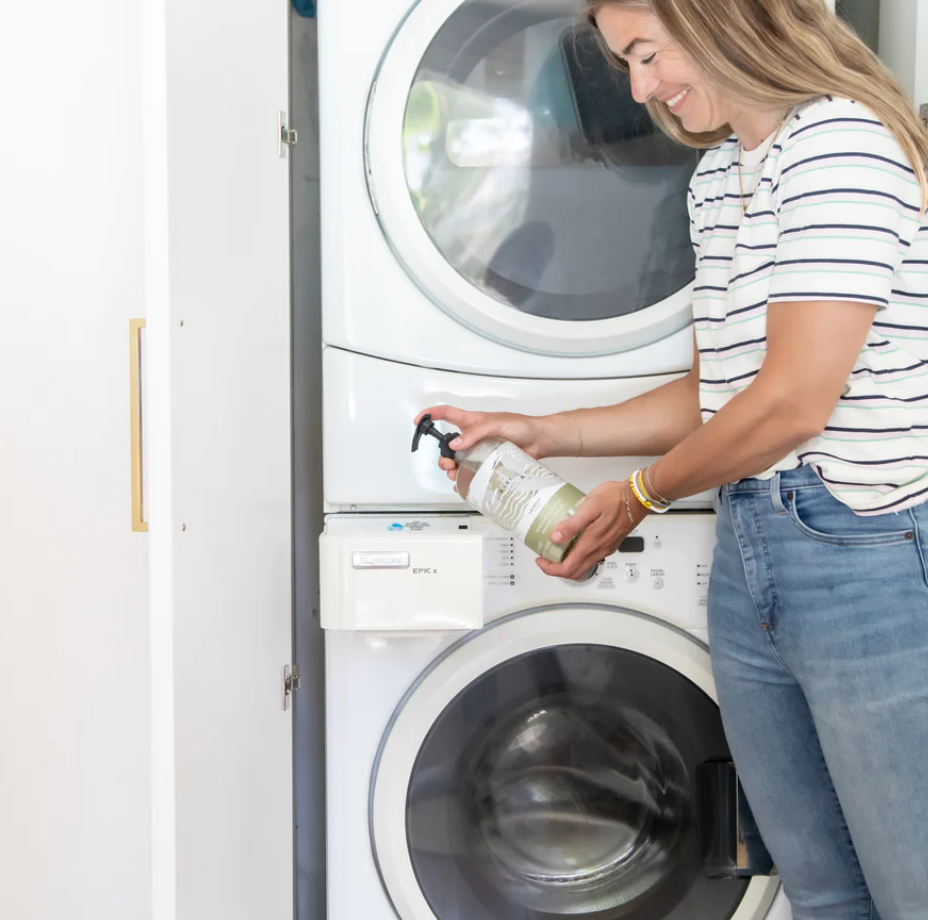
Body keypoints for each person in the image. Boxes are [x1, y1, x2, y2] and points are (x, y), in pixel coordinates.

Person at [417, 1, 928, 917]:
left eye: (647, 53)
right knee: (819, 890)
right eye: (626, 65)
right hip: (753, 554)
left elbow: (795, 398)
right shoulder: (722, 174)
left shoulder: (843, 148)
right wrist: (548, 431)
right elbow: (723, 390)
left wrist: (639, 497)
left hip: (871, 558)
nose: (642, 87)